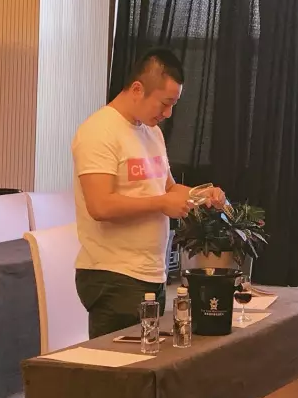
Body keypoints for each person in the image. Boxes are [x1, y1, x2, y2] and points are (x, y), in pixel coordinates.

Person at [72, 48, 226, 339]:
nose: (168, 114)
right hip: (113, 274)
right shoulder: (98, 131)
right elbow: (99, 206)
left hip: (151, 273)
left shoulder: (151, 132)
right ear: (137, 89)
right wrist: (162, 203)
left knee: (151, 358)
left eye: (173, 105)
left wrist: (201, 195)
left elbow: (167, 188)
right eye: (165, 103)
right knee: (123, 364)